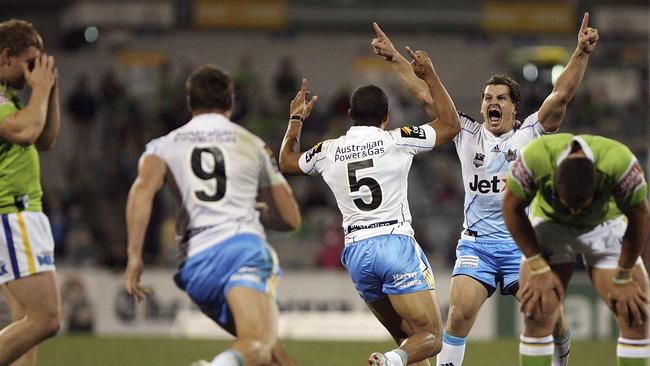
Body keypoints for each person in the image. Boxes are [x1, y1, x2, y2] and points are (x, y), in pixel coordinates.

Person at [371, 13, 598, 366]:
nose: (494, 102)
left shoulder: (530, 133)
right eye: (488, 97)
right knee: (459, 315)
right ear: (482, 106)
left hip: (521, 243)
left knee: (545, 315)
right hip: (477, 243)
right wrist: (394, 58)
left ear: (514, 107)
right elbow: (425, 94)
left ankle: (561, 348)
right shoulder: (466, 132)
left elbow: (562, 94)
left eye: (502, 98)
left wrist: (581, 52)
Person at [280, 46, 460, 366]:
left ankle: (392, 358)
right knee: (431, 337)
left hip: (357, 254)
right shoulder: (397, 139)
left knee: (409, 342)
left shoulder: (328, 150)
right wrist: (429, 75)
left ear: (349, 115)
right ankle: (387, 362)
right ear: (386, 116)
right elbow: (450, 124)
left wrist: (296, 119)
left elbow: (287, 162)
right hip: (394, 245)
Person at [124, 64, 300, 366]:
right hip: (241, 251)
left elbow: (141, 193)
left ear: (189, 103)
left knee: (268, 355)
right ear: (231, 102)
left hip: (196, 267)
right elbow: (290, 218)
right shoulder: (252, 144)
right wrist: (262, 214)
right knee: (259, 344)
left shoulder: (163, 146)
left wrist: (134, 256)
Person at [502, 133, 649, 366]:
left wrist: (625, 275)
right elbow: (511, 209)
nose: (575, 214)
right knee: (537, 313)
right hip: (551, 225)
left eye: (581, 207)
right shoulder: (535, 159)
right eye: (569, 207)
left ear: (600, 181)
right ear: (552, 182)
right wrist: (538, 267)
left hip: (605, 227)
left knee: (636, 316)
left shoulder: (620, 164)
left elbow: (640, 216)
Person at [0, 18, 61, 366]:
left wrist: (50, 89)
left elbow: (46, 138)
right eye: (29, 63)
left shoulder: (11, 96)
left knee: (27, 323)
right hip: (11, 213)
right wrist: (38, 90)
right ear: (6, 56)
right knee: (46, 319)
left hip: (23, 215)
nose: (32, 73)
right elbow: (23, 132)